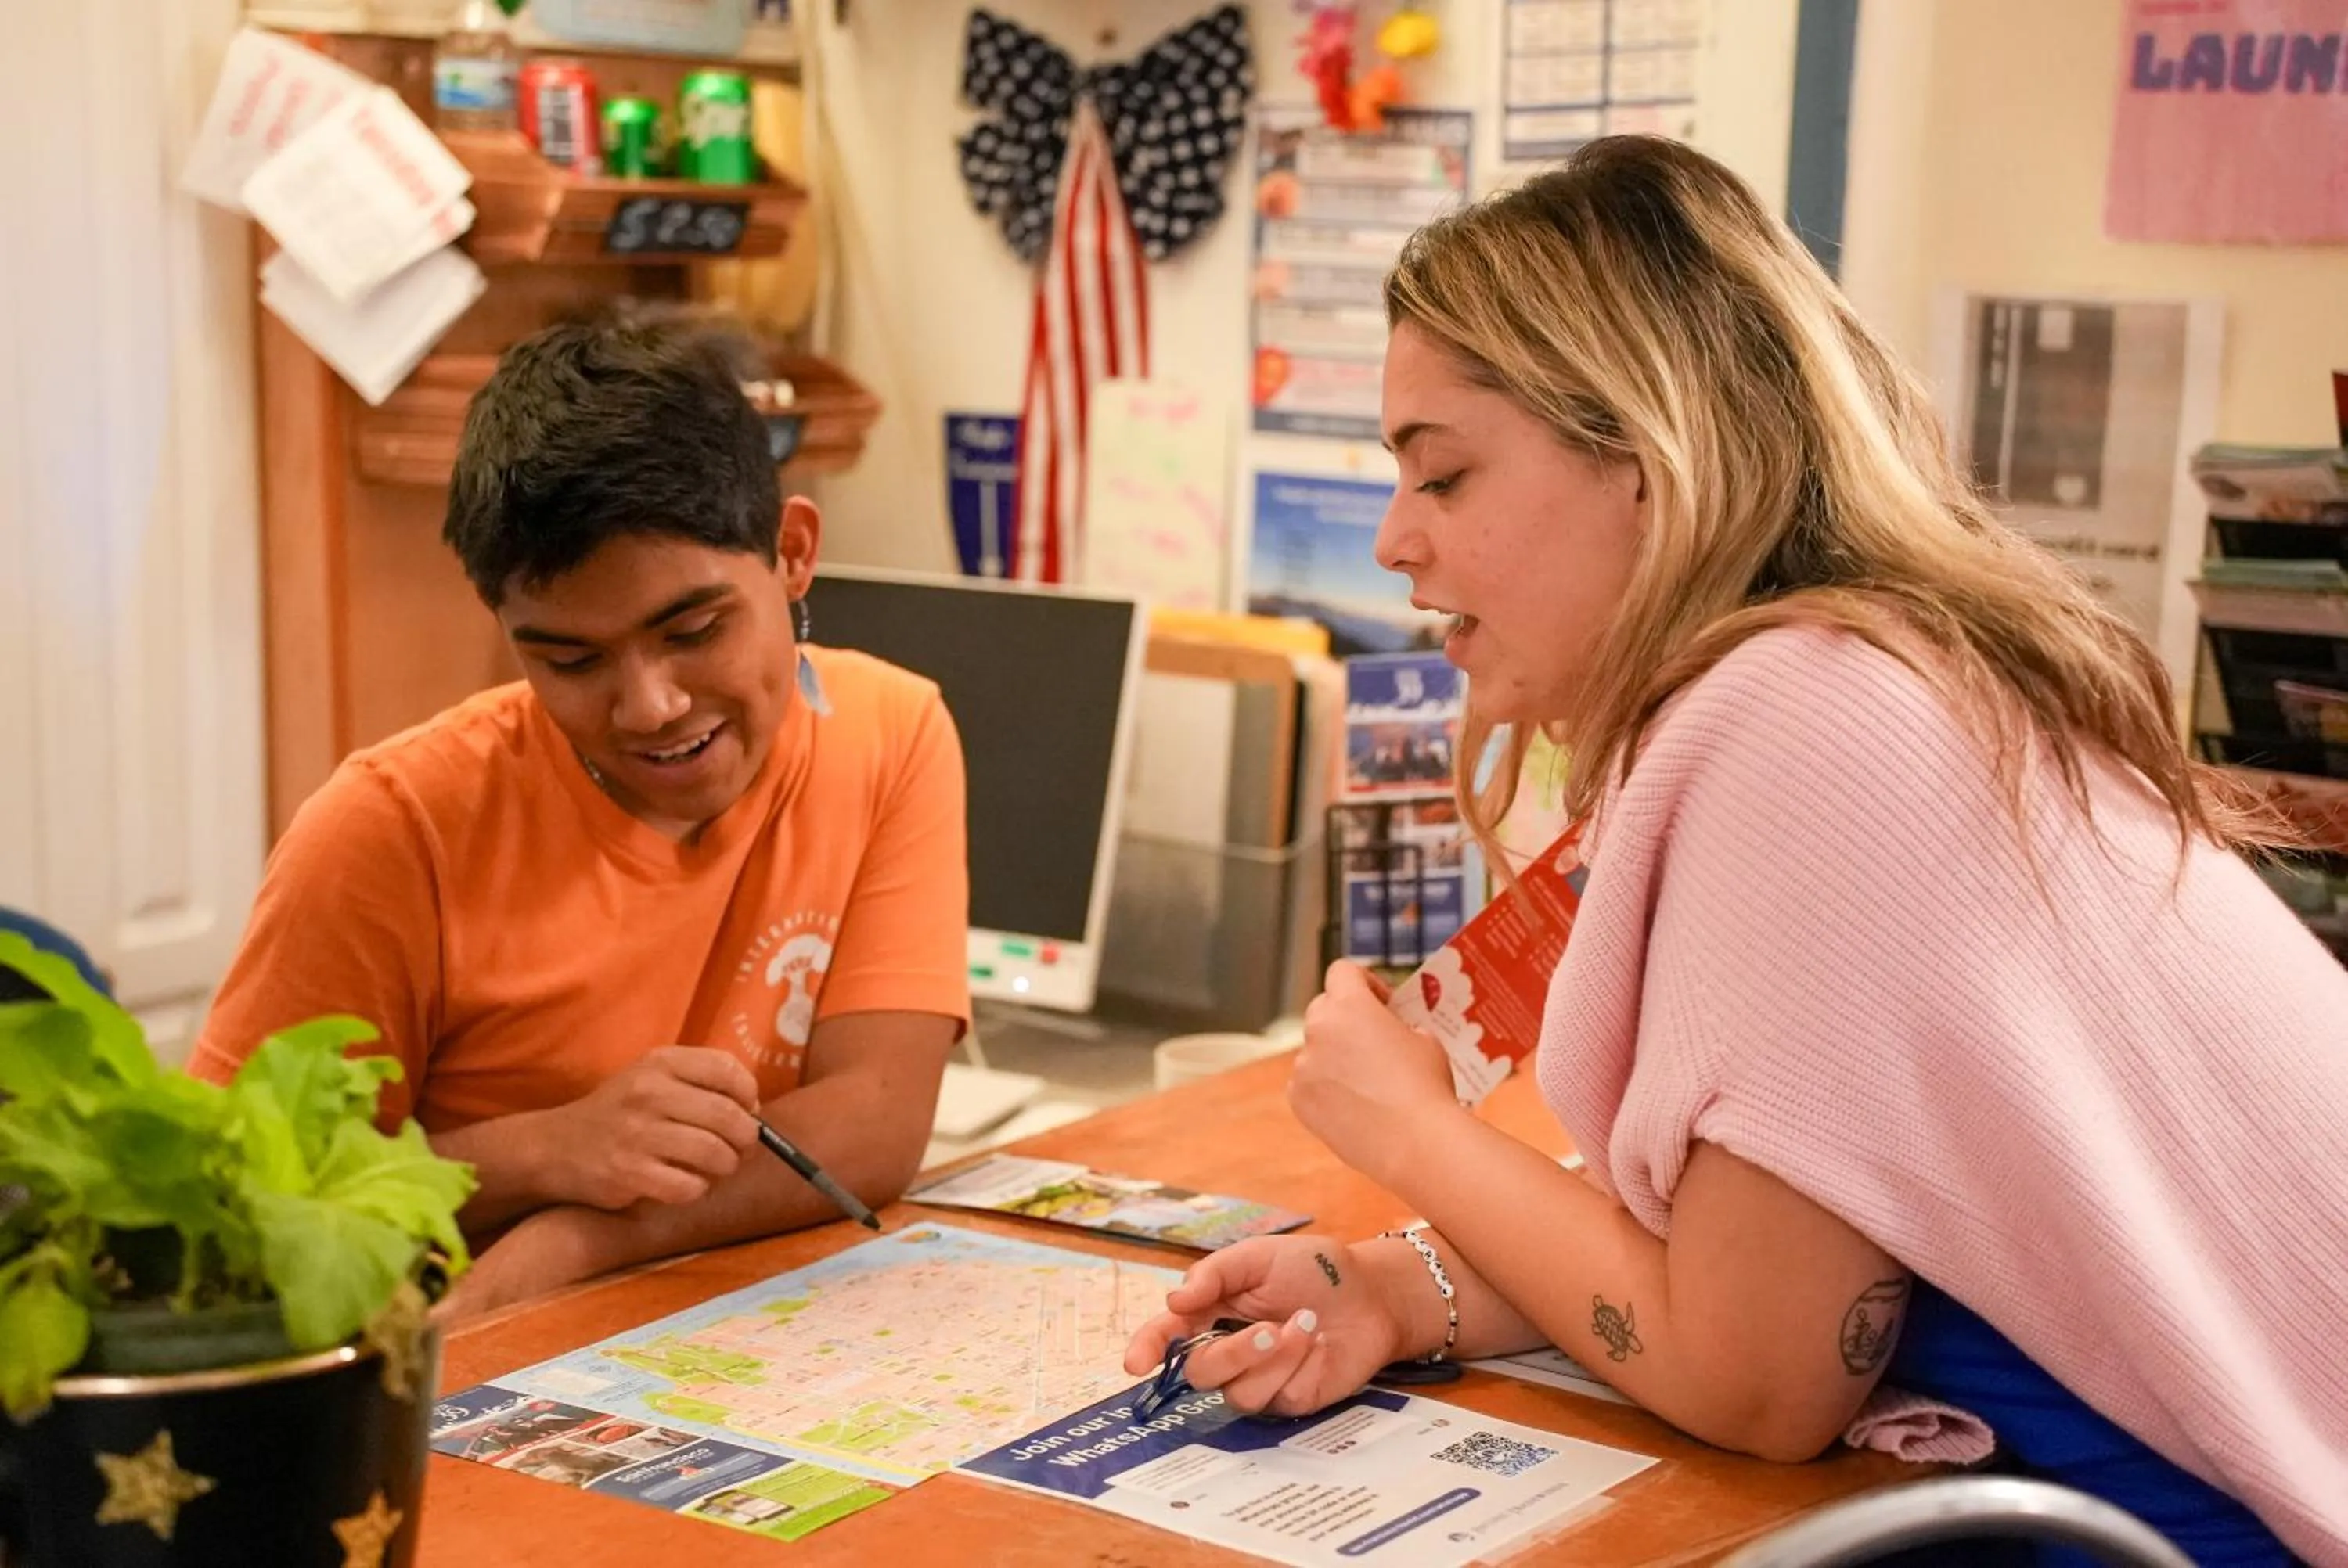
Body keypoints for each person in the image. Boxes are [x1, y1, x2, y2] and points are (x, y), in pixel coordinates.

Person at [1124, 138, 2348, 1566]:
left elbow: (1759, 1378)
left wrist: (1409, 1131)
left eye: (1443, 475)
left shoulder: (1805, 720)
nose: (1395, 541)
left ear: (1650, 468)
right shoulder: (1852, 681)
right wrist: (1394, 1288)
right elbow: (1746, 1257)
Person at [191, 320, 970, 1317]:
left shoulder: (893, 731)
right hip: (438, 1355)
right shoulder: (390, 827)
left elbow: (875, 1121)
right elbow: (226, 1199)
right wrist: (544, 1151)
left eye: (693, 631)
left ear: (793, 553)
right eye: (570, 661)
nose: (649, 707)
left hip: (690, 1328)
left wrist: (581, 1237)